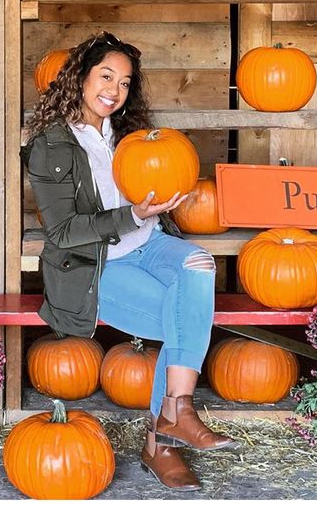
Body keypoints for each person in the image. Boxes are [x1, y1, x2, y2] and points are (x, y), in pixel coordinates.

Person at [22, 31, 235, 492]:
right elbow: (62, 232)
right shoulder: (51, 147)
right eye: (105, 76)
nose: (113, 90)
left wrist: (161, 203)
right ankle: (166, 438)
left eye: (124, 82)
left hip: (151, 246)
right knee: (182, 318)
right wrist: (133, 213)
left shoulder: (130, 136)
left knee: (199, 261)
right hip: (97, 267)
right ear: (79, 78)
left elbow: (157, 178)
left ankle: (172, 416)